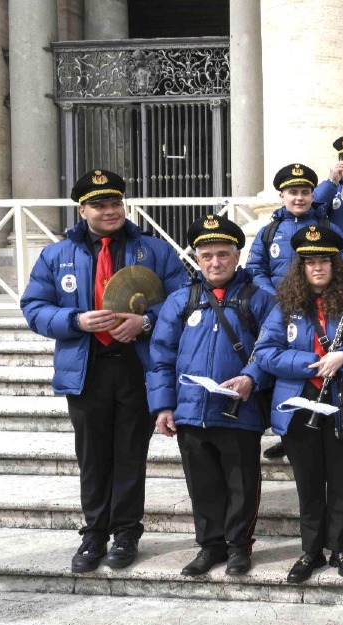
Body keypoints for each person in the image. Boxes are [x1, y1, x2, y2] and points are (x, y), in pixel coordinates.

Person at [21, 169, 189, 573]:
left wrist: (146, 321)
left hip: (136, 366)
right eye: (99, 204)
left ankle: (127, 533)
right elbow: (34, 307)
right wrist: (74, 321)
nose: (109, 211)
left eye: (115, 202)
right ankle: (95, 533)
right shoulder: (55, 255)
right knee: (93, 456)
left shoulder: (154, 249)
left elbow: (184, 296)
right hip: (86, 368)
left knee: (131, 452)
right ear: (82, 210)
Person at [147, 214, 275, 577]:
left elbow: (272, 350)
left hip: (238, 411)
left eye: (223, 254)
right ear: (197, 259)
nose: (215, 262)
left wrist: (252, 377)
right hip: (191, 411)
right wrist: (163, 405)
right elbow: (161, 357)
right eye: (207, 255)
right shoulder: (179, 300)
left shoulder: (259, 300)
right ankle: (210, 546)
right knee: (202, 485)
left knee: (241, 485)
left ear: (237, 256)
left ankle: (239, 547)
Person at [255, 225, 343, 583]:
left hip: (341, 400)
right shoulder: (286, 306)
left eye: (324, 260)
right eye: (310, 262)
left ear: (335, 264)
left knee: (341, 480)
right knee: (308, 483)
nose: (318, 268)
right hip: (300, 400)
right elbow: (264, 352)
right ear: (301, 267)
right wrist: (307, 361)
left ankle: (340, 548)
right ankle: (310, 551)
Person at [246, 163, 343, 297]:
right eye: (293, 192)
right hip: (277, 305)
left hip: (320, 307)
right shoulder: (268, 232)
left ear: (312, 196)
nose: (299, 198)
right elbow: (255, 270)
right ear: (282, 196)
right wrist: (273, 298)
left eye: (305, 192)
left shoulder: (329, 229)